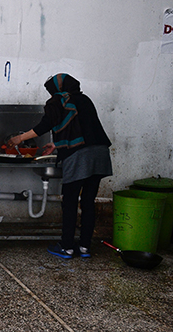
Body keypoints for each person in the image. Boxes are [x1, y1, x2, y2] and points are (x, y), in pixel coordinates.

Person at [8, 73, 112, 259]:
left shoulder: (58, 102)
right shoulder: (84, 99)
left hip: (80, 156)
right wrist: (56, 145)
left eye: (51, 92)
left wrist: (19, 138)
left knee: (70, 202)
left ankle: (67, 247)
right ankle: (85, 247)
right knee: (88, 202)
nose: (51, 96)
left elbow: (45, 125)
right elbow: (83, 129)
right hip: (100, 154)